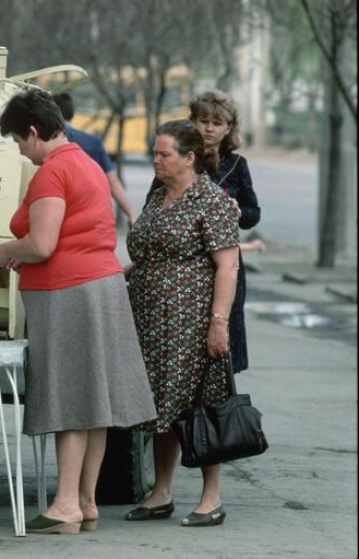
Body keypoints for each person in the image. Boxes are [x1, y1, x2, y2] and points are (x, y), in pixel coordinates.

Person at [0, 89, 157, 535]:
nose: (20, 151)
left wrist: (5, 250)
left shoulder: (52, 172)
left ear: (33, 131)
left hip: (68, 292)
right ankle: (85, 502)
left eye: (18, 142)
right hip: (102, 287)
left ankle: (64, 504)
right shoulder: (86, 162)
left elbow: (42, 244)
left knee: (68, 399)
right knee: (94, 401)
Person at [125, 120, 239, 527]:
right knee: (160, 405)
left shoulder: (211, 199)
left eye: (164, 154)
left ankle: (211, 497)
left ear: (189, 158)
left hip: (191, 319)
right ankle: (162, 491)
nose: (155, 160)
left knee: (200, 405)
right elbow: (146, 253)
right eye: (154, 153)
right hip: (149, 317)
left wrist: (218, 323)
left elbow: (228, 266)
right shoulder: (158, 197)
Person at [146, 90, 260, 374]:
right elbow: (152, 206)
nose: (209, 128)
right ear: (192, 122)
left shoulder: (237, 165)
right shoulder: (174, 159)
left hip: (222, 261)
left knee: (220, 345)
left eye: (217, 122)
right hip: (179, 266)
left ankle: (218, 408)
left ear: (228, 128)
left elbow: (252, 215)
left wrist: (237, 211)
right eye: (203, 120)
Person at [52, 92, 137, 225]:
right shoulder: (93, 141)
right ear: (72, 113)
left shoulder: (44, 141)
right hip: (92, 216)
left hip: (58, 214)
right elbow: (113, 182)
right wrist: (131, 215)